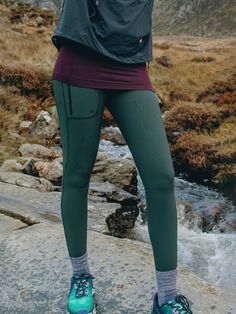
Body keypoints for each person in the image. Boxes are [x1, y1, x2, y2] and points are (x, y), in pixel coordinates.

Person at [51, 1, 193, 313]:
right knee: (77, 175)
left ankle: (167, 296)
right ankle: (80, 276)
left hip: (130, 66)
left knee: (161, 178)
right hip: (80, 58)